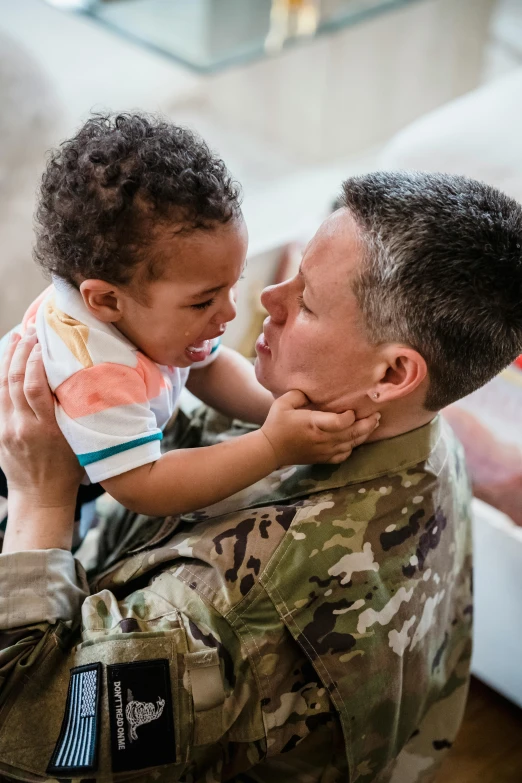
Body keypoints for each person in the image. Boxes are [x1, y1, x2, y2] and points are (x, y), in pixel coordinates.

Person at [1, 171, 522, 782]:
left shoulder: (235, 603)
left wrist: (41, 497)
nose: (270, 298)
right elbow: (203, 429)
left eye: (306, 302)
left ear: (393, 373)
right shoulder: (414, 427)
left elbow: (21, 731)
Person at [0, 113, 378, 548]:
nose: (230, 313)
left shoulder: (154, 315)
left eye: (232, 285)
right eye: (204, 301)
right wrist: (273, 446)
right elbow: (145, 484)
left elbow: (209, 368)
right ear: (104, 302)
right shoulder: (92, 372)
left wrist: (288, 410)